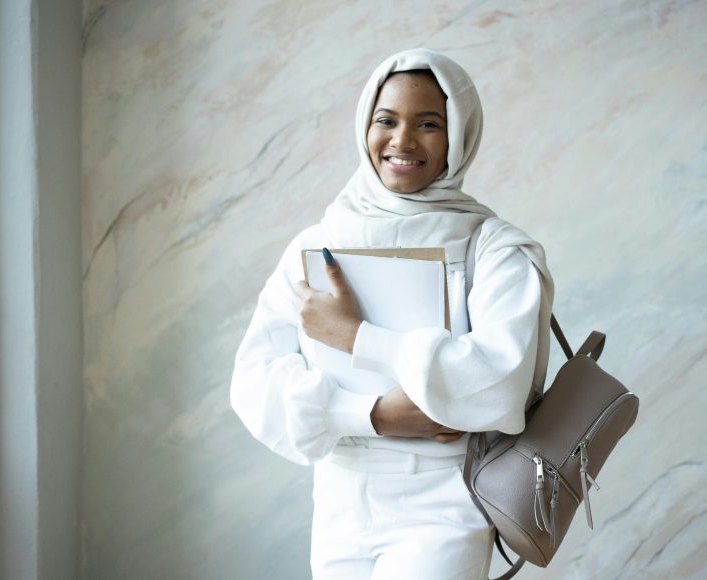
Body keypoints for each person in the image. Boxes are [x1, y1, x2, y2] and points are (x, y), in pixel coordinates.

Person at [230, 48, 555, 580]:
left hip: (446, 502)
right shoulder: (317, 244)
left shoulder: (494, 248)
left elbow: (499, 382)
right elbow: (253, 383)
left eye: (429, 124)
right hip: (340, 501)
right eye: (387, 120)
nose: (402, 140)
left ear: (459, 137)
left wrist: (358, 337)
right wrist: (376, 416)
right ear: (365, 126)